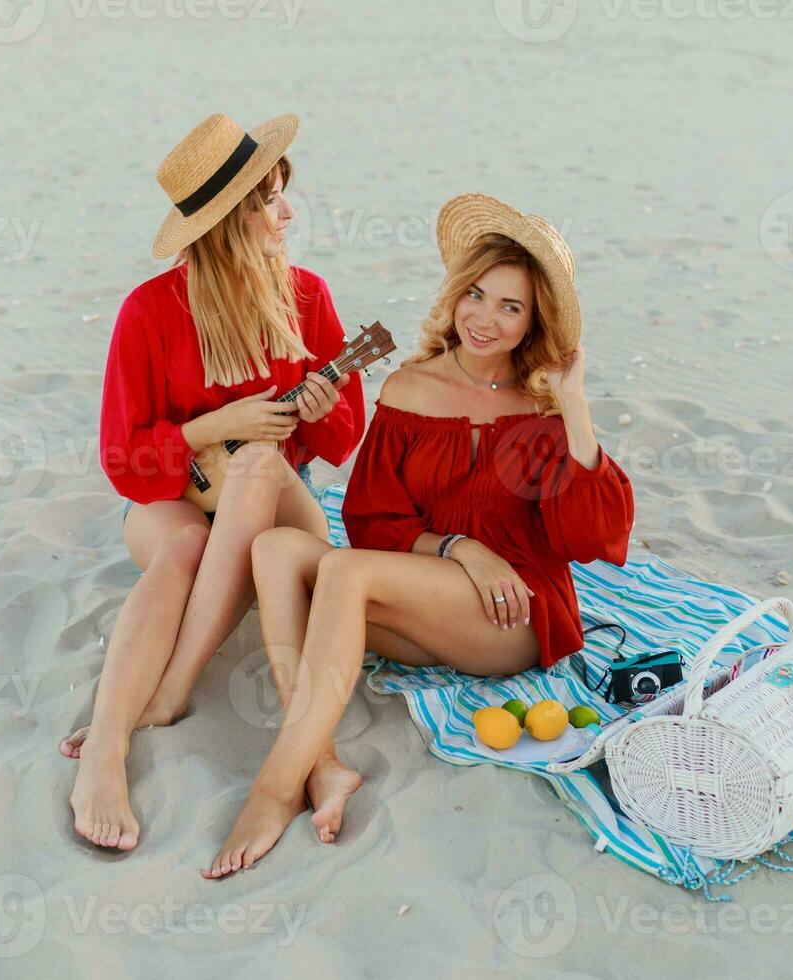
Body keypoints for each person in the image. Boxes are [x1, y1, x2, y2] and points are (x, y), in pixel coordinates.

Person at [202, 193, 635, 878]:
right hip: (431, 597)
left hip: (510, 615)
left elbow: (595, 537)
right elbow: (372, 521)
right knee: (276, 548)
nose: (485, 319)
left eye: (511, 307)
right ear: (456, 295)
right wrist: (458, 546)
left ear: (533, 325)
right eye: (477, 294)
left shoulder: (543, 412)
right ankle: (322, 764)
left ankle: (276, 785)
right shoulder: (406, 389)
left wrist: (575, 407)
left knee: (344, 575)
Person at [64, 113, 365, 852]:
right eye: (268, 200)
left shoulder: (307, 297)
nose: (286, 212)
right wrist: (207, 426)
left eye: (281, 193)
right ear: (231, 221)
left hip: (277, 511)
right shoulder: (149, 313)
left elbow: (341, 438)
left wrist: (320, 414)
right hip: (180, 499)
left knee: (261, 463)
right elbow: (122, 460)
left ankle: (169, 692)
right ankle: (106, 748)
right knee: (180, 548)